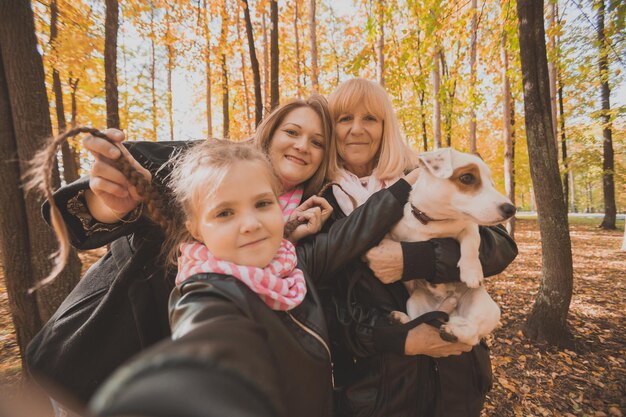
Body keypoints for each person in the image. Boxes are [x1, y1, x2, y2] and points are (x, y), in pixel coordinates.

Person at [24, 95, 337, 413]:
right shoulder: (206, 161)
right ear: (272, 131)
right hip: (103, 349)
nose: (302, 146)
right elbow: (126, 180)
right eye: (293, 132)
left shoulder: (310, 213)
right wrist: (109, 204)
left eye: (317, 142)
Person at [84, 140, 422, 417]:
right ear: (196, 229)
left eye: (262, 204)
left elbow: (348, 237)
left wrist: (407, 185)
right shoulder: (209, 289)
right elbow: (213, 341)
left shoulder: (288, 265)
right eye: (225, 213)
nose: (251, 223)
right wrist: (188, 388)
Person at [316, 78, 519, 417]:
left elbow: (501, 248)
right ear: (331, 127)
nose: (357, 129)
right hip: (380, 392)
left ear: (385, 126)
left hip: (457, 380)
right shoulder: (321, 204)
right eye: (344, 118)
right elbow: (327, 310)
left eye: (370, 119)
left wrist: (415, 259)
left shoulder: (422, 174)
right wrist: (401, 339)